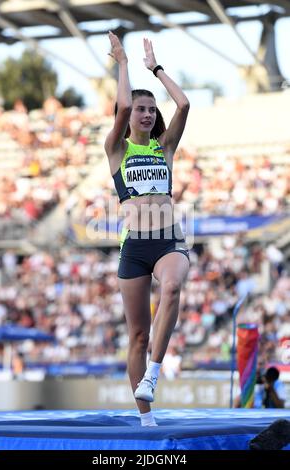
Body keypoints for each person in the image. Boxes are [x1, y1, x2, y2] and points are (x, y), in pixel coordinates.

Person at [105, 32, 190, 426]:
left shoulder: (165, 148)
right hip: (134, 246)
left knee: (172, 287)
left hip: (167, 239)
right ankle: (145, 418)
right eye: (141, 109)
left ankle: (153, 374)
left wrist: (155, 69)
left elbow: (185, 103)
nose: (147, 115)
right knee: (138, 335)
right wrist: (122, 63)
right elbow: (120, 105)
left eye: (151, 110)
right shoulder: (117, 149)